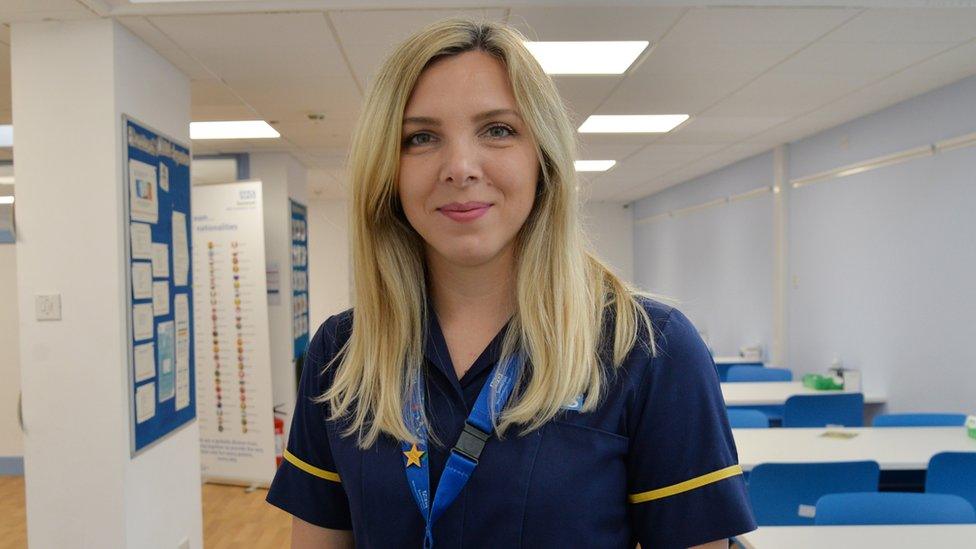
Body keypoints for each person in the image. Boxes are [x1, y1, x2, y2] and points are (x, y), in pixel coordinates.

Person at [266, 17, 756, 549]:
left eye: (498, 130)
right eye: (421, 137)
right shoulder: (341, 354)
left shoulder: (648, 349)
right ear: (388, 169)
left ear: (542, 156)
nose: (459, 167)